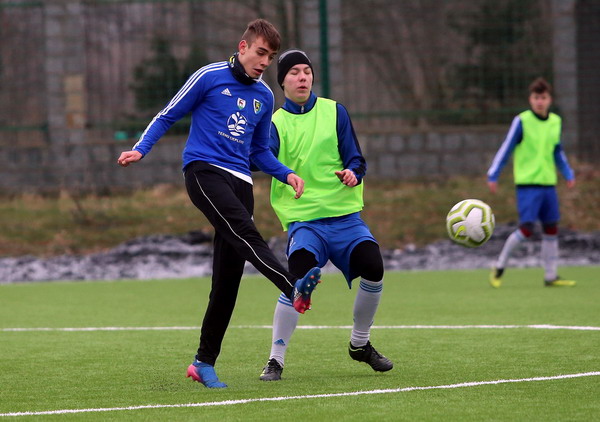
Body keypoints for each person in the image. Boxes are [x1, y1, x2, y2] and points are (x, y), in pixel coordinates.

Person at [117, 20, 322, 389]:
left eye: (270, 56)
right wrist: (141, 148)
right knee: (245, 232)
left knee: (227, 281)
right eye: (260, 53)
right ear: (243, 47)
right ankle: (292, 285)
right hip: (204, 171)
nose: (265, 62)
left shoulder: (264, 96)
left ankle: (203, 363)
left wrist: (286, 173)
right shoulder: (208, 76)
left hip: (241, 182)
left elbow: (259, 151)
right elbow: (168, 114)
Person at [255, 49, 393, 382]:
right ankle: (275, 360)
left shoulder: (335, 111)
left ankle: (360, 344)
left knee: (373, 266)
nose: (302, 77)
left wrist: (353, 173)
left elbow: (356, 158)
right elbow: (261, 158)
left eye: (306, 71)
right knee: (297, 276)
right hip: (305, 221)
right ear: (282, 82)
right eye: (294, 73)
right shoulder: (275, 123)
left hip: (345, 217)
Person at [487, 77, 576, 288]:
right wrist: (493, 174)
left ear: (549, 100)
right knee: (526, 229)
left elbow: (557, 151)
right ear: (530, 99)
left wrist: (567, 173)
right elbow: (506, 148)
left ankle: (550, 276)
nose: (539, 102)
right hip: (528, 185)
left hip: (548, 184)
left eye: (543, 98)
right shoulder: (522, 121)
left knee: (551, 228)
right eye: (536, 98)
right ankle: (499, 266)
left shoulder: (555, 122)